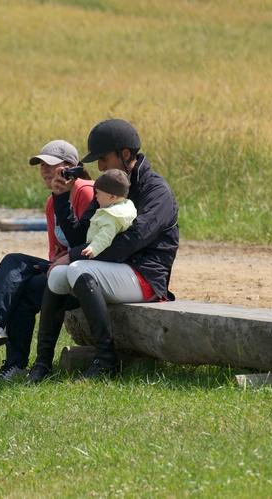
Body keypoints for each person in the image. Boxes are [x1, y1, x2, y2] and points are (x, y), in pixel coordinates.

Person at [27, 119, 180, 383]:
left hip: (145, 279)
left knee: (76, 267)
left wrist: (74, 255)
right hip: (113, 272)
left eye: (103, 159)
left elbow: (131, 242)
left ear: (126, 154)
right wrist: (61, 197)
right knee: (58, 275)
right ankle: (42, 364)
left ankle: (106, 362)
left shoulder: (157, 191)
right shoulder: (109, 185)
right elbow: (81, 236)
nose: (99, 167)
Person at [0, 140, 94, 380]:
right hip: (64, 270)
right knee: (15, 265)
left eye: (51, 164)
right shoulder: (52, 202)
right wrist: (59, 259)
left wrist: (65, 257)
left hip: (89, 276)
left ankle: (1, 337)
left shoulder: (85, 191)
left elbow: (90, 242)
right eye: (41, 165)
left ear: (71, 167)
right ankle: (4, 346)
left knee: (23, 286)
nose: (45, 170)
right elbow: (56, 252)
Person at [47, 169, 136, 294]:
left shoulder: (111, 216)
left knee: (70, 271)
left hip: (105, 257)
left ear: (112, 197)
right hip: (107, 257)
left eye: (98, 193)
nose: (95, 196)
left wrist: (93, 248)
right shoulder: (122, 206)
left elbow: (105, 236)